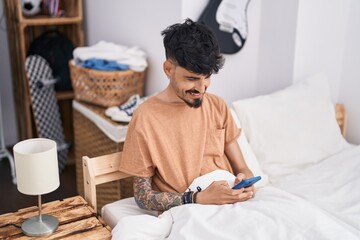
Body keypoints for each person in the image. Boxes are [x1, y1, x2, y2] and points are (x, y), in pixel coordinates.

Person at [119, 18, 255, 212]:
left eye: (207, 77)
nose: (201, 88)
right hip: (189, 211)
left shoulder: (217, 105)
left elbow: (243, 168)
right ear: (168, 69)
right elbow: (142, 197)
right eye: (192, 79)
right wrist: (197, 198)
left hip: (232, 204)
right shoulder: (146, 117)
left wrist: (245, 181)